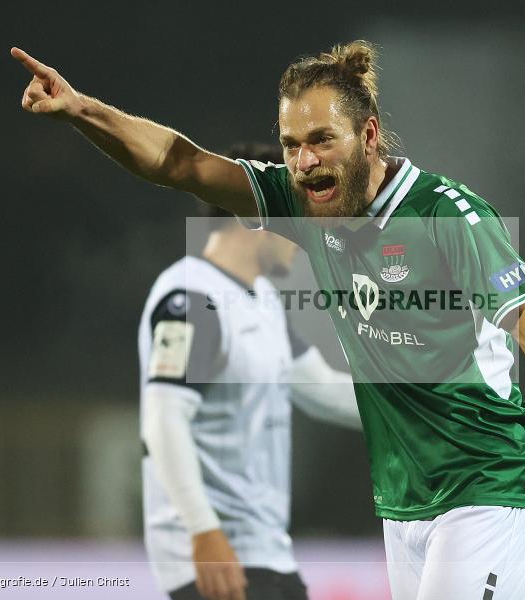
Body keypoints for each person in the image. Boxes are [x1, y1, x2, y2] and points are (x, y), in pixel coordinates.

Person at [13, 41, 525, 600]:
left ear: (369, 135)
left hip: (492, 487)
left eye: (322, 140)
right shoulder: (297, 203)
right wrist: (80, 110)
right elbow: (178, 164)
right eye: (291, 145)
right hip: (406, 503)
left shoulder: (447, 217)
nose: (305, 160)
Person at [138, 142, 361, 600]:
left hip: (265, 556)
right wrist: (203, 532)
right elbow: (163, 417)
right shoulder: (191, 298)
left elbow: (321, 387)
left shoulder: (261, 301)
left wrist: (432, 401)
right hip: (219, 564)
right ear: (255, 215)